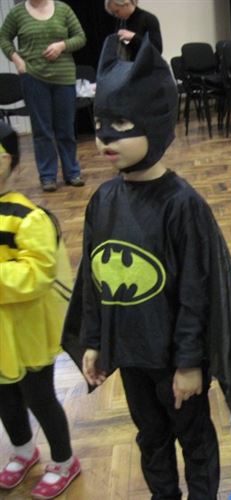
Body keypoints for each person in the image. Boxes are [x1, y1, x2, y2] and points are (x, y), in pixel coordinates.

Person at [60, 35, 231, 499]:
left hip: (175, 360)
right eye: (100, 124)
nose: (105, 137)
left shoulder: (181, 205)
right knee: (150, 437)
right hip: (131, 356)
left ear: (153, 123)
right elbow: (93, 279)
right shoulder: (103, 200)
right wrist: (93, 341)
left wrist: (190, 364)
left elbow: (197, 291)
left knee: (194, 439)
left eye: (120, 123)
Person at [0, 122, 80, 499]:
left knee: (39, 397)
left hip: (27, 331)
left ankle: (64, 460)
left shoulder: (27, 216)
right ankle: (22, 450)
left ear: (8, 162)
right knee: (4, 397)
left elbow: (37, 274)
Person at [0, 0, 86, 192]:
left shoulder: (63, 9)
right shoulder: (17, 13)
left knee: (66, 129)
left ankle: (72, 173)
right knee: (42, 130)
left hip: (63, 77)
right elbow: (3, 38)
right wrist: (17, 60)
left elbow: (80, 37)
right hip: (33, 77)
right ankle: (47, 176)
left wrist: (62, 45)